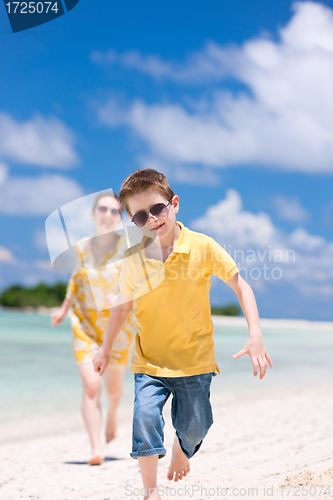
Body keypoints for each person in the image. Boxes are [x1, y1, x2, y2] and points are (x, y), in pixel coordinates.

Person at [93, 170, 273, 498]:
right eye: (141, 216)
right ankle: (150, 491)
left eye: (158, 209)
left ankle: (181, 448)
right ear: (134, 221)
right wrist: (105, 349)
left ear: (174, 204)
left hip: (195, 362)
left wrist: (255, 334)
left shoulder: (203, 247)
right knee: (145, 419)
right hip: (150, 361)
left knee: (196, 426)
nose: (152, 219)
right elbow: (122, 306)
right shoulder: (135, 260)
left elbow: (240, 284)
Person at [51, 192, 135, 466]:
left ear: (119, 218)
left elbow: (137, 286)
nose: (108, 215)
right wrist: (63, 309)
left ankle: (112, 415)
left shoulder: (128, 248)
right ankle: (96, 448)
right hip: (85, 326)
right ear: (93, 213)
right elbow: (76, 281)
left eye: (114, 211)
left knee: (113, 389)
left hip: (118, 330)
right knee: (91, 386)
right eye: (103, 209)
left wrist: (119, 298)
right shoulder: (83, 247)